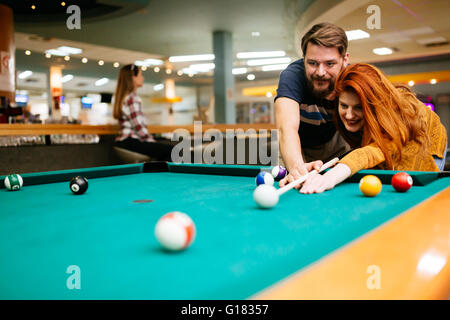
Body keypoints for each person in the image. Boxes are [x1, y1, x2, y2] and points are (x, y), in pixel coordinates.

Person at [299, 63, 448, 194]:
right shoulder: (346, 115)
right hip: (387, 143)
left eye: (358, 107)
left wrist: (332, 176)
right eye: (344, 105)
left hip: (425, 140)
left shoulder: (398, 112)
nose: (349, 115)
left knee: (409, 189)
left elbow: (376, 151)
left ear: (373, 105)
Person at [276, 23, 352, 189]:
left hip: (338, 144)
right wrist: (297, 168)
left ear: (344, 59)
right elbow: (286, 129)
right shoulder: (292, 76)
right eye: (312, 63)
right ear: (303, 58)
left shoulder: (355, 81)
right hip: (298, 147)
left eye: (330, 64)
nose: (320, 72)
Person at [113, 64, 173, 161]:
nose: (143, 78)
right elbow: (139, 128)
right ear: (133, 77)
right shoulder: (132, 98)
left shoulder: (125, 97)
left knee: (164, 149)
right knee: (173, 151)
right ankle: (158, 175)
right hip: (131, 142)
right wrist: (152, 142)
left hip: (124, 142)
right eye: (140, 75)